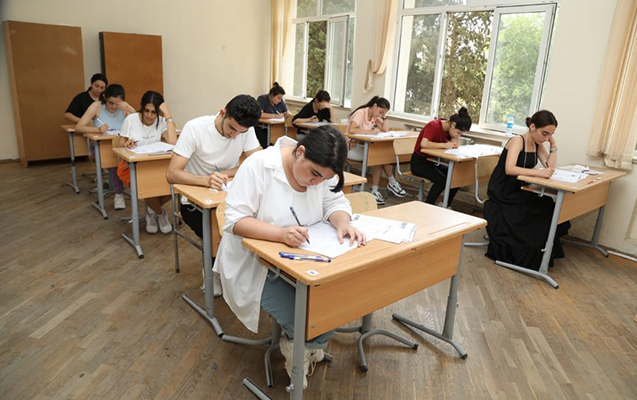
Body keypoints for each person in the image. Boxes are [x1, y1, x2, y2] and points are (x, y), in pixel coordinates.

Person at [213, 126, 366, 388]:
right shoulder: (259, 166)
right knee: (307, 320)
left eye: (325, 179)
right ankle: (301, 346)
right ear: (300, 152)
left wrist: (342, 223)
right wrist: (280, 234)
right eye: (314, 174)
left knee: (337, 303)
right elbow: (236, 222)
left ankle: (302, 345)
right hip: (256, 264)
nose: (316, 182)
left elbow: (335, 202)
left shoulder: (323, 170)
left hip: (304, 262)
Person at [165, 94, 262, 294]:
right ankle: (214, 270)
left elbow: (258, 162)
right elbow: (172, 174)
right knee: (219, 230)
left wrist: (228, 172)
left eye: (241, 132)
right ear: (223, 113)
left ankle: (242, 272)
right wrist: (206, 180)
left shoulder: (244, 129)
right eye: (232, 129)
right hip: (195, 203)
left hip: (229, 196)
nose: (234, 136)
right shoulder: (195, 128)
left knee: (258, 222)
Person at [483, 110, 570, 271]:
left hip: (520, 188)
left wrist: (553, 146)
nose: (546, 138)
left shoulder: (538, 144)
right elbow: (509, 169)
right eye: (545, 133)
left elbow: (550, 168)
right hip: (503, 190)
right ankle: (529, 252)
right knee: (534, 210)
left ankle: (542, 251)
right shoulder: (518, 140)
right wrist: (538, 173)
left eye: (550, 135)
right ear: (532, 127)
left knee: (547, 205)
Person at [114, 91, 177, 234]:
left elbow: (173, 143)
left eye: (154, 112)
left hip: (155, 165)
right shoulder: (131, 120)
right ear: (142, 108)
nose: (149, 116)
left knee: (174, 185)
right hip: (133, 167)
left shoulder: (162, 121)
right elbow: (118, 146)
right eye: (146, 111)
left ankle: (151, 209)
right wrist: (127, 144)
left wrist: (168, 115)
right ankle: (160, 213)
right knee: (144, 186)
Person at [74, 84, 135, 210]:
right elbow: (79, 127)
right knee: (114, 161)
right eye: (110, 103)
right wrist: (97, 129)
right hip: (100, 145)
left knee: (130, 159)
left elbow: (140, 124)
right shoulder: (96, 106)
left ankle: (133, 190)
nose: (114, 107)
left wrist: (130, 108)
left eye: (117, 104)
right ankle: (118, 194)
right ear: (104, 97)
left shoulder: (124, 108)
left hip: (120, 144)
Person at [347, 96, 407, 205]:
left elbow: (385, 129)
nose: (380, 115)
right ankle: (390, 183)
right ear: (374, 106)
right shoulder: (360, 113)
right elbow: (351, 130)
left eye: (383, 113)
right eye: (380, 112)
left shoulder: (374, 117)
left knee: (380, 156)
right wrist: (370, 132)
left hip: (364, 148)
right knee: (378, 157)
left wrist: (384, 117)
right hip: (353, 149)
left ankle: (378, 189)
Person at [410, 107, 472, 207]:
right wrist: (445, 145)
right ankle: (428, 206)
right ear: (453, 124)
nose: (458, 135)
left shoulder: (449, 130)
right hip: (419, 162)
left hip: (434, 162)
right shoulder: (434, 125)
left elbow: (455, 145)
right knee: (442, 181)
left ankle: (444, 205)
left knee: (456, 177)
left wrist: (455, 137)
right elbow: (424, 144)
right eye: (458, 132)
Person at [255, 82, 293, 148]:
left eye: (281, 98)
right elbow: (260, 114)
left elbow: (287, 112)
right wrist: (275, 116)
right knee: (268, 141)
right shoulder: (262, 99)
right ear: (272, 95)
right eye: (278, 98)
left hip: (277, 126)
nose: (280, 100)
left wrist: (288, 114)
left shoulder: (280, 102)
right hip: (263, 128)